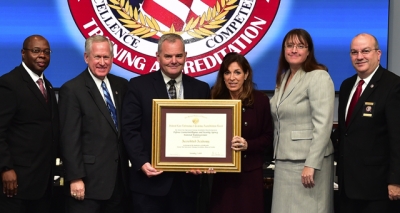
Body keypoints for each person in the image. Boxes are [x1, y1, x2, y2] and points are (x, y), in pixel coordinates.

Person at [121, 33, 211, 213]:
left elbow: (206, 131)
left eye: (178, 55)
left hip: (187, 186)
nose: (174, 60)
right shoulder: (139, 85)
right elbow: (130, 129)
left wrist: (202, 160)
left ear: (185, 56)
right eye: (168, 56)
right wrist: (141, 162)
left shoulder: (200, 88)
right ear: (158, 57)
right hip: (149, 184)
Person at [58, 35, 130, 213]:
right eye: (97, 57)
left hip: (118, 184)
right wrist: (75, 178)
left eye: (106, 57)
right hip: (87, 185)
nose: (102, 62)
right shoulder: (72, 89)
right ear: (86, 57)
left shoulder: (121, 85)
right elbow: (69, 138)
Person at [270, 28, 335, 213]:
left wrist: (311, 164)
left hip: (308, 164)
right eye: (289, 45)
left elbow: (323, 125)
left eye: (300, 46)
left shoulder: (318, 76)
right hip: (284, 161)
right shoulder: (283, 78)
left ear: (308, 51)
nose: (294, 50)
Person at [337, 33, 400, 213]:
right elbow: (346, 133)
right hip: (347, 186)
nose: (359, 57)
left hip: (377, 188)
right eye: (354, 52)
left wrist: (396, 180)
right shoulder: (347, 85)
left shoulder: (393, 85)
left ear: (378, 54)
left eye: (365, 51)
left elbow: (397, 137)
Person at [0, 35, 59, 213]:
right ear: (23, 54)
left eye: (46, 52)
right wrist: (6, 168)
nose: (42, 55)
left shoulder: (47, 85)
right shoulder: (9, 84)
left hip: (43, 183)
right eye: (36, 51)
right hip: (16, 183)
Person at [209, 52, 273, 213]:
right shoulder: (213, 99)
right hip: (221, 176)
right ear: (222, 76)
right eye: (227, 72)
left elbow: (267, 138)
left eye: (237, 72)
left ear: (246, 74)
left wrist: (248, 145)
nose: (232, 78)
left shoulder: (260, 100)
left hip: (250, 174)